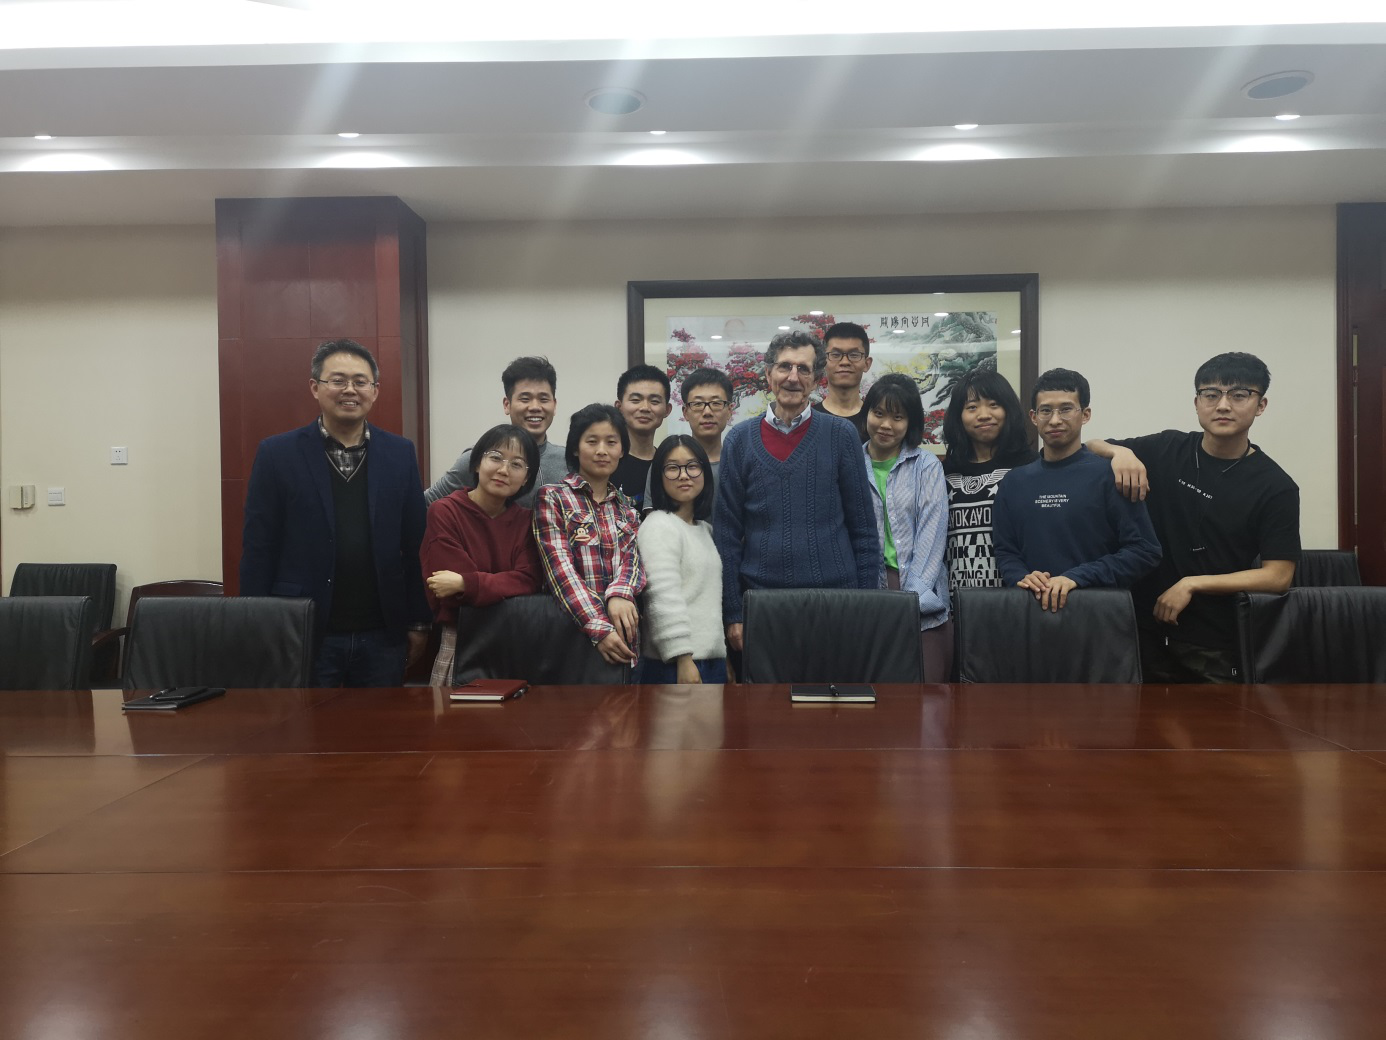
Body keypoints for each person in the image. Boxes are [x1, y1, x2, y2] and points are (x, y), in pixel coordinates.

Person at [1087, 352, 1300, 682]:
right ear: (1197, 402)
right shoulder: (1167, 448)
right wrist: (1120, 452)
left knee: (1213, 717)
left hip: (1212, 641)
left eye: (1239, 395)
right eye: (1211, 394)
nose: (1223, 405)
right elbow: (1089, 446)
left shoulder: (1276, 486)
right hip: (1138, 628)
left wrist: (1193, 583)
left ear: (1261, 405)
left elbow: (1278, 576)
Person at [240, 339, 431, 686]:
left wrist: (418, 620)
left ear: (375, 391)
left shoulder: (400, 453)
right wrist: (257, 621)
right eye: (338, 380)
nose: (350, 390)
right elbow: (259, 546)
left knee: (380, 721)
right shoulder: (277, 454)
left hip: (382, 632)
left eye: (360, 381)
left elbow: (415, 543)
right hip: (303, 628)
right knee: (303, 721)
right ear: (315, 387)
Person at [714, 330, 879, 652]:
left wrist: (866, 604)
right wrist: (733, 613)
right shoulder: (739, 440)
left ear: (816, 379)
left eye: (803, 369)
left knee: (836, 687)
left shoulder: (841, 435)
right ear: (768, 374)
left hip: (838, 603)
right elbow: (726, 535)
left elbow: (864, 532)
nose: (793, 377)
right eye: (784, 367)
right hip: (761, 605)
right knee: (766, 689)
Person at [992, 368, 1161, 611]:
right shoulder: (1014, 482)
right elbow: (1005, 551)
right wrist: (1022, 577)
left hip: (1097, 615)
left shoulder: (1111, 475)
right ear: (1033, 417)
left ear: (1085, 414)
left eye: (1066, 409)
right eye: (1046, 410)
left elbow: (1145, 550)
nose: (1055, 420)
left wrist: (1078, 577)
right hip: (1031, 613)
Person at [420, 424, 543, 685]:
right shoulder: (445, 512)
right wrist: (500, 583)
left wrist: (467, 583)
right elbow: (448, 591)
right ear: (476, 463)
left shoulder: (527, 522)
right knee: (451, 712)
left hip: (515, 640)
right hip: (462, 639)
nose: (504, 470)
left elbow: (529, 580)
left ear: (526, 478)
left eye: (517, 464)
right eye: (495, 457)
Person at [533, 404, 647, 667]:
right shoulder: (552, 497)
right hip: (571, 636)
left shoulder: (628, 509)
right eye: (592, 441)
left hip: (625, 640)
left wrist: (620, 593)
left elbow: (634, 562)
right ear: (576, 447)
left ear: (622, 450)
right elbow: (560, 570)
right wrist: (599, 626)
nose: (602, 450)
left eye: (611, 442)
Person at [861, 373, 952, 681]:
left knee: (928, 697)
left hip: (921, 595)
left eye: (898, 417)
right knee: (873, 696)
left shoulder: (926, 466)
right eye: (879, 413)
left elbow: (932, 535)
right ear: (867, 413)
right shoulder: (851, 463)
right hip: (867, 595)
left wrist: (910, 601)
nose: (886, 425)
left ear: (910, 422)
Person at [635, 436, 727, 685]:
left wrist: (723, 657)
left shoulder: (704, 529)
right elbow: (662, 598)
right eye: (673, 468)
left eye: (692, 466)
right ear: (659, 476)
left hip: (711, 660)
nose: (684, 475)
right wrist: (683, 659)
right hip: (674, 663)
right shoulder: (658, 525)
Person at [941, 370, 1038, 589]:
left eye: (993, 405)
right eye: (972, 407)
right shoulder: (944, 472)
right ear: (958, 416)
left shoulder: (1031, 466)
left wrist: (1113, 451)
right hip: (955, 597)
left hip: (1017, 595)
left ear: (1008, 410)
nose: (984, 415)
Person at [425, 356, 564, 507]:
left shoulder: (569, 461)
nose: (535, 407)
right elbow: (424, 504)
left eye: (543, 399)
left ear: (554, 405)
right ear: (507, 404)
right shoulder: (482, 458)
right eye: (525, 399)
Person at [611, 364, 672, 511]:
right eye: (635, 400)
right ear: (619, 407)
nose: (645, 408)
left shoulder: (670, 465)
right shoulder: (605, 461)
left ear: (667, 410)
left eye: (654, 401)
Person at [812, 321, 872, 441]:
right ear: (823, 362)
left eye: (854, 355)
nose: (845, 362)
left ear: (866, 364)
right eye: (835, 354)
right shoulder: (809, 420)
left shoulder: (876, 422)